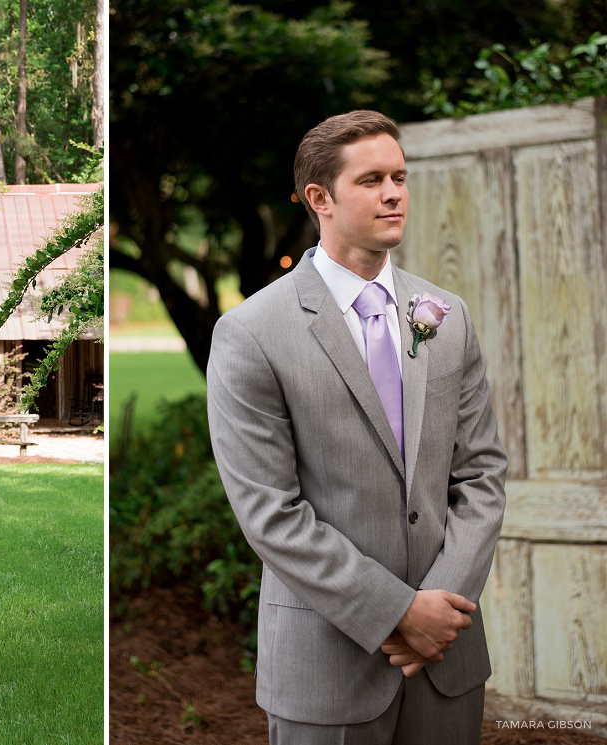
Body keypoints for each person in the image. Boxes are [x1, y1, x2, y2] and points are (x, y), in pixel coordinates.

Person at [206, 110, 507, 744]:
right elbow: (270, 512)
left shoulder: (446, 316)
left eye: (400, 176)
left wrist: (439, 613)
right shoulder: (252, 333)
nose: (394, 192)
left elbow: (482, 474)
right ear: (320, 197)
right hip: (326, 664)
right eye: (371, 179)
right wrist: (398, 613)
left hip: (447, 662)